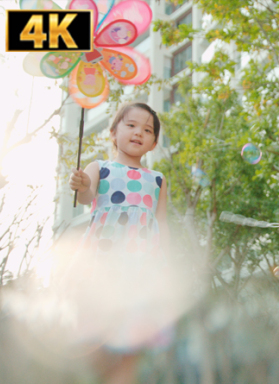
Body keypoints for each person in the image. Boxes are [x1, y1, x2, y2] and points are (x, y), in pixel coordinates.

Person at [69, 102, 169, 384]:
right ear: (113, 133)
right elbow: (86, 197)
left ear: (153, 143)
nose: (139, 132)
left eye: (147, 130)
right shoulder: (99, 167)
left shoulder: (158, 180)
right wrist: (81, 184)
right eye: (131, 125)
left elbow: (161, 223)